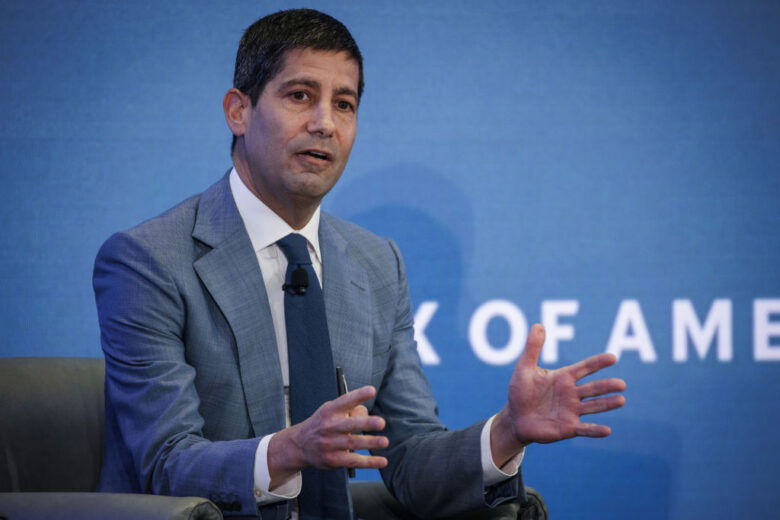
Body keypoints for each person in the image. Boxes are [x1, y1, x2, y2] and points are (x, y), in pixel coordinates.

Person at [93, 8, 626, 519]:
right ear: (239, 111)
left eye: (344, 104)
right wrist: (289, 449)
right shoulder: (150, 260)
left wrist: (507, 431)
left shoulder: (376, 264)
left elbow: (412, 461)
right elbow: (165, 465)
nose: (325, 123)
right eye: (300, 96)